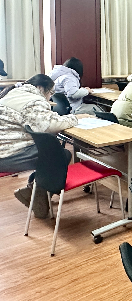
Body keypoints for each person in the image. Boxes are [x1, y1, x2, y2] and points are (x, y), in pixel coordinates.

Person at [0, 75, 79, 218]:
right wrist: (74, 118)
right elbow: (48, 125)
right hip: (8, 156)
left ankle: (34, 192)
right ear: (40, 88)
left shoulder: (14, 94)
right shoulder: (33, 100)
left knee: (53, 153)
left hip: (6, 151)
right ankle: (37, 194)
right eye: (50, 93)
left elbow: (41, 120)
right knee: (60, 155)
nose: (50, 97)